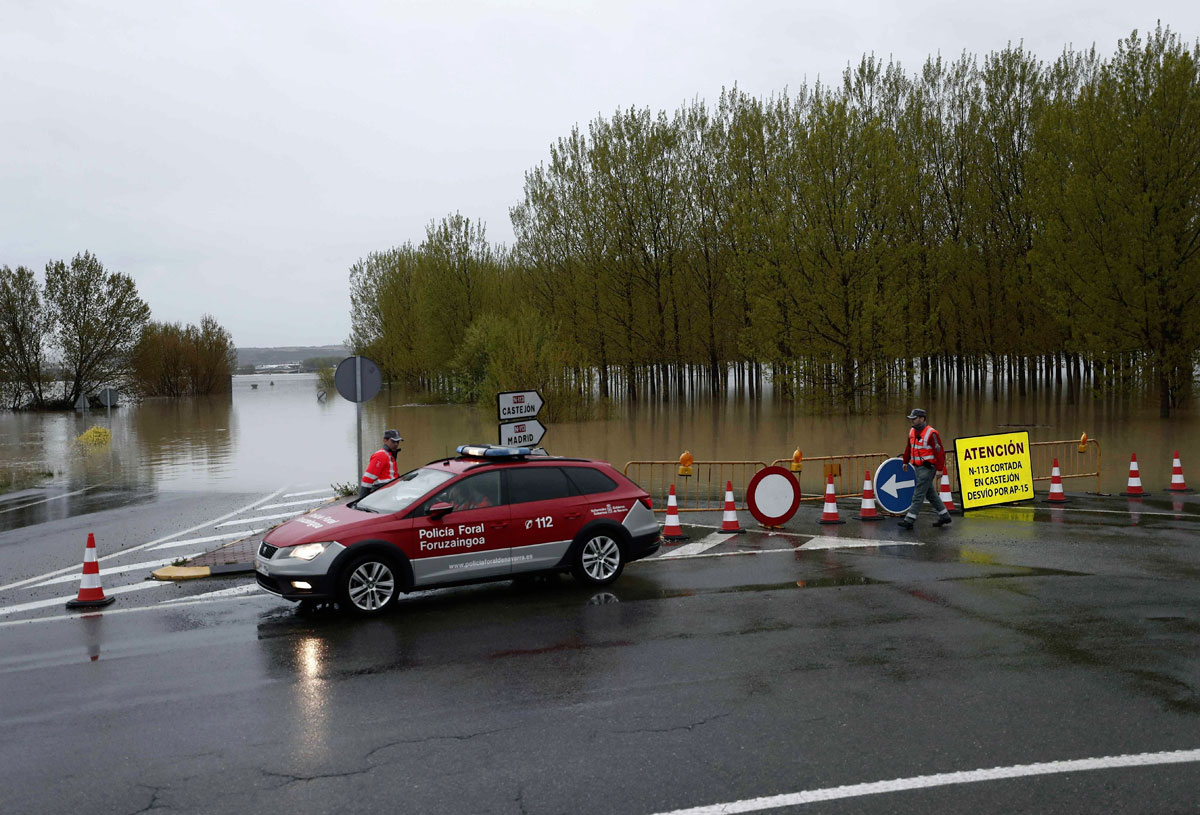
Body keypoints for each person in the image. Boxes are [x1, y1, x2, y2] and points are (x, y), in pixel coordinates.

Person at [898, 408, 952, 529]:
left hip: (928, 468)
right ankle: (945, 516)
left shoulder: (931, 433)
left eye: (914, 418)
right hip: (917, 467)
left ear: (922, 419)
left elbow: (939, 452)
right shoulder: (912, 431)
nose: (912, 421)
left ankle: (910, 520)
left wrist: (939, 469)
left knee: (918, 493)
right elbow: (909, 447)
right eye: (911, 418)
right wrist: (905, 461)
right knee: (930, 494)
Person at [359, 429, 402, 499]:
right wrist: (361, 500)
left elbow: (391, 475)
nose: (396, 444)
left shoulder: (390, 455)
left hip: (389, 493)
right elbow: (367, 479)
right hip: (381, 495)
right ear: (385, 440)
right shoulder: (380, 455)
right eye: (393, 441)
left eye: (398, 441)